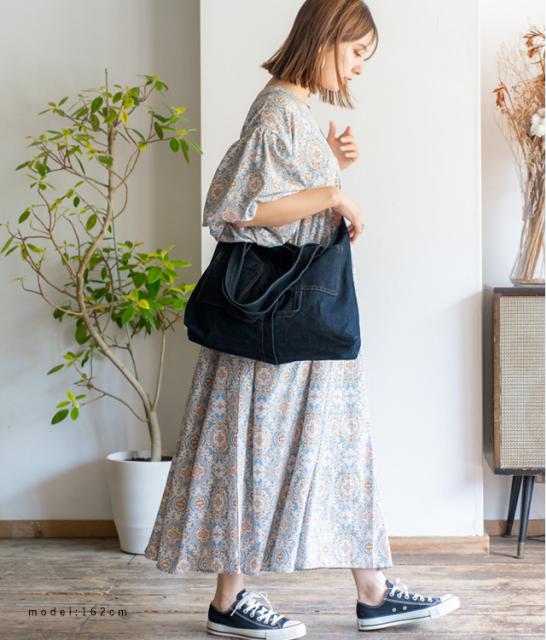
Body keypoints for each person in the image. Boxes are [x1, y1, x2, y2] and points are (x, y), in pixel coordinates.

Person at [144, 1, 460, 637]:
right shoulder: (276, 111)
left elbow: (283, 201)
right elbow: (235, 208)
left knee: (334, 449)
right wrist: (334, 192)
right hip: (278, 328)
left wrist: (330, 164)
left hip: (302, 323)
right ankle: (231, 602)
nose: (360, 67)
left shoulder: (296, 111)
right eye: (356, 51)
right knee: (256, 454)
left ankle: (371, 591)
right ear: (324, 38)